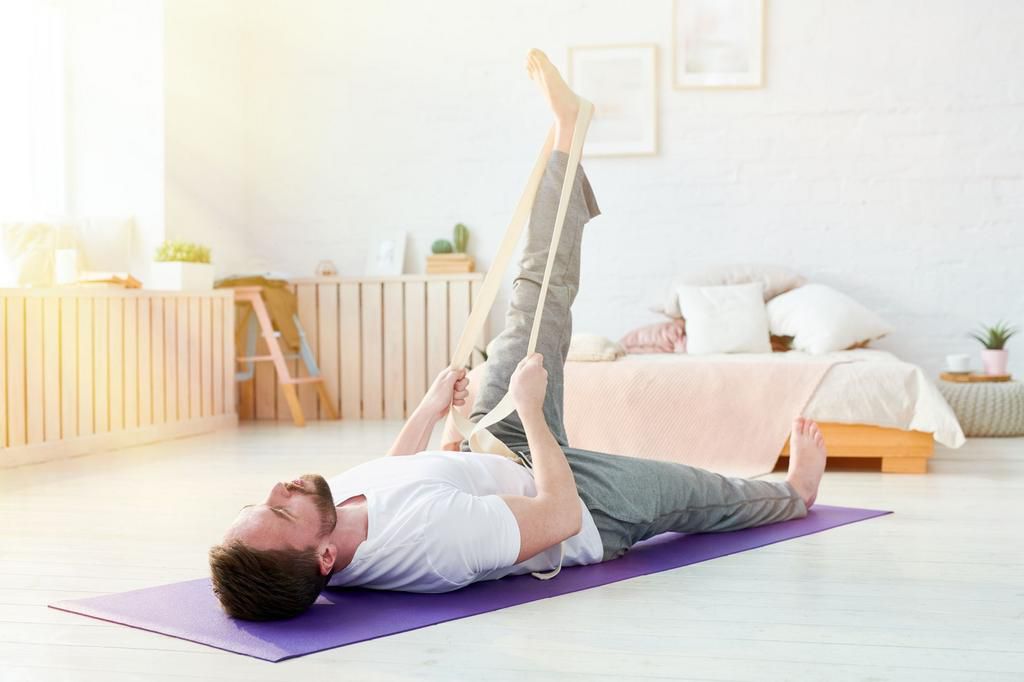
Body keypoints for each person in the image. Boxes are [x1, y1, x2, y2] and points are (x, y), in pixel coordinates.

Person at [209, 49, 827, 621]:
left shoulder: (324, 520)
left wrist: (433, 414)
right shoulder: (432, 548)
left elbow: (393, 477)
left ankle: (567, 136)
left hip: (493, 451)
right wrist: (530, 409)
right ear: (323, 559)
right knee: (702, 493)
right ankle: (795, 493)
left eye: (258, 502)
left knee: (533, 299)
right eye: (280, 508)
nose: (279, 488)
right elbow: (554, 517)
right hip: (585, 508)